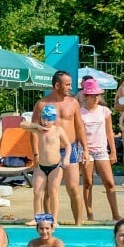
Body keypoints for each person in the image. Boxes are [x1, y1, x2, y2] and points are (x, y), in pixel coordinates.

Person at [32, 71, 88, 225]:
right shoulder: (42, 104)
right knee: (49, 190)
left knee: (73, 186)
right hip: (49, 151)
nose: (71, 87)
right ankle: (49, 223)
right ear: (57, 85)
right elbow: (34, 131)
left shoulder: (73, 102)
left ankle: (78, 223)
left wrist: (86, 149)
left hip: (69, 148)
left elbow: (79, 127)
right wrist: (36, 153)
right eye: (68, 84)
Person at [79, 79, 120, 221]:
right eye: (93, 95)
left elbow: (110, 132)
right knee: (88, 182)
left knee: (109, 182)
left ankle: (115, 214)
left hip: (101, 149)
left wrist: (113, 151)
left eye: (98, 95)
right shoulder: (80, 113)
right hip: (86, 149)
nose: (96, 98)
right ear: (86, 96)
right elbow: (78, 133)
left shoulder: (104, 111)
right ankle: (90, 214)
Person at [22, 105, 71, 222]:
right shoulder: (38, 130)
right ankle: (37, 218)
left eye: (48, 119)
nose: (45, 122)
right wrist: (37, 125)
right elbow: (22, 125)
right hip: (41, 166)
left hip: (55, 167)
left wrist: (67, 158)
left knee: (53, 192)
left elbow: (68, 145)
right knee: (37, 192)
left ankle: (53, 219)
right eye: (43, 118)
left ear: (54, 119)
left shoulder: (58, 130)